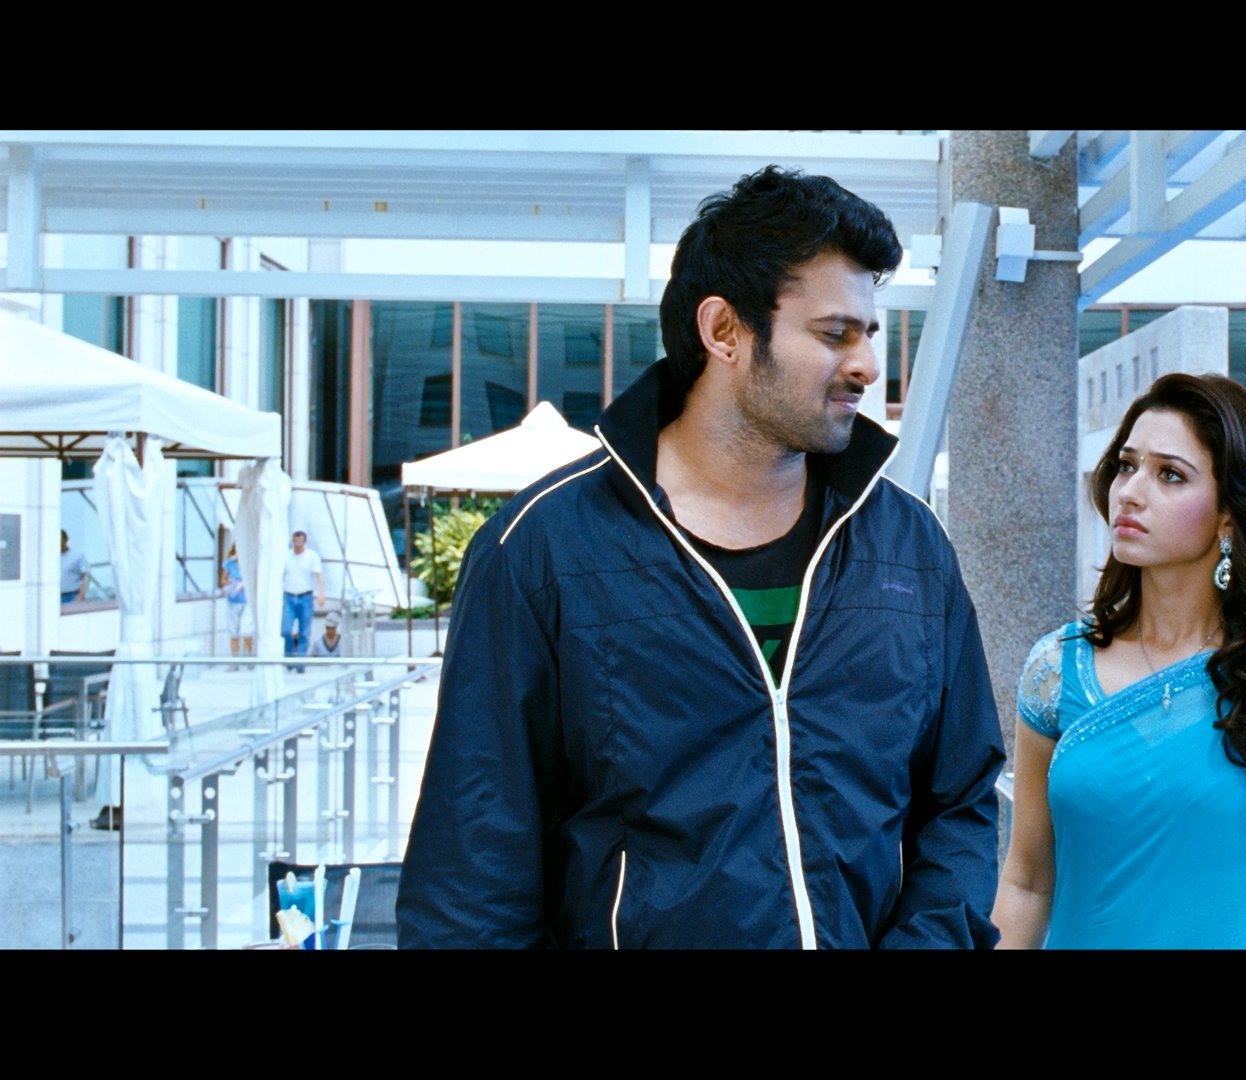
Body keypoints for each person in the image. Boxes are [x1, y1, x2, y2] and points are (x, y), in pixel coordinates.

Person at [397, 166, 1005, 949]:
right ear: (724, 332)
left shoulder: (910, 550)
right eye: (834, 334)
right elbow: (471, 876)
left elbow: (959, 803)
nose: (866, 365)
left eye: (869, 334)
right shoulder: (543, 554)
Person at [993, 373, 1246, 949]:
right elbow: (1027, 882)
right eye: (1126, 465)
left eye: (1170, 474)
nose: (1130, 492)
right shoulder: (1057, 671)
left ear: (1229, 515)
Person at [282, 530, 324, 674]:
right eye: (295, 541)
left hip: (305, 597)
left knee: (304, 632)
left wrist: (321, 594)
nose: (297, 544)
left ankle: (300, 663)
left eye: (300, 542)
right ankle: (289, 658)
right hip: (289, 596)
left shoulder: (311, 556)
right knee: (285, 630)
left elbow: (318, 575)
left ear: (304, 542)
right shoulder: (286, 556)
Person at [219, 543, 252, 668]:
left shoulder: (249, 563)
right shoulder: (229, 564)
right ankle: (234, 661)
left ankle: (249, 658)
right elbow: (223, 580)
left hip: (247, 601)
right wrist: (232, 583)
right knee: (233, 631)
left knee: (246, 630)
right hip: (233, 600)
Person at [59, 530, 89, 604]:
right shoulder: (49, 559)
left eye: (59, 539)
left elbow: (86, 576)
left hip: (71, 597)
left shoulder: (77, 555)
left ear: (66, 539)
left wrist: (81, 595)